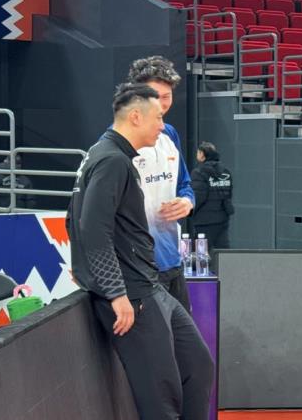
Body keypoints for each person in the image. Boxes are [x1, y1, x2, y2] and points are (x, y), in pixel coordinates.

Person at [66, 83, 214, 420]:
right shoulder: (111, 160)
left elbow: (73, 217)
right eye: (158, 117)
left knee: (198, 365)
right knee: (161, 395)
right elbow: (91, 228)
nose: (163, 125)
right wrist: (115, 292)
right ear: (136, 116)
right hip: (132, 295)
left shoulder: (106, 155)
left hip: (150, 284)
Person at [127, 56, 194, 313]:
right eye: (155, 96)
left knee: (185, 335)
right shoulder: (117, 142)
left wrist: (186, 202)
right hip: (139, 268)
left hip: (172, 261)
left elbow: (185, 184)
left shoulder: (169, 134)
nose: (162, 103)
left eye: (167, 96)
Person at [191, 141, 234, 252]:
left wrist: (189, 211)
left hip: (204, 220)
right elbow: (228, 195)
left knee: (200, 255)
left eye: (198, 152)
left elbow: (198, 197)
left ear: (202, 154)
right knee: (223, 253)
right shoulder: (226, 172)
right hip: (223, 219)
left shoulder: (198, 172)